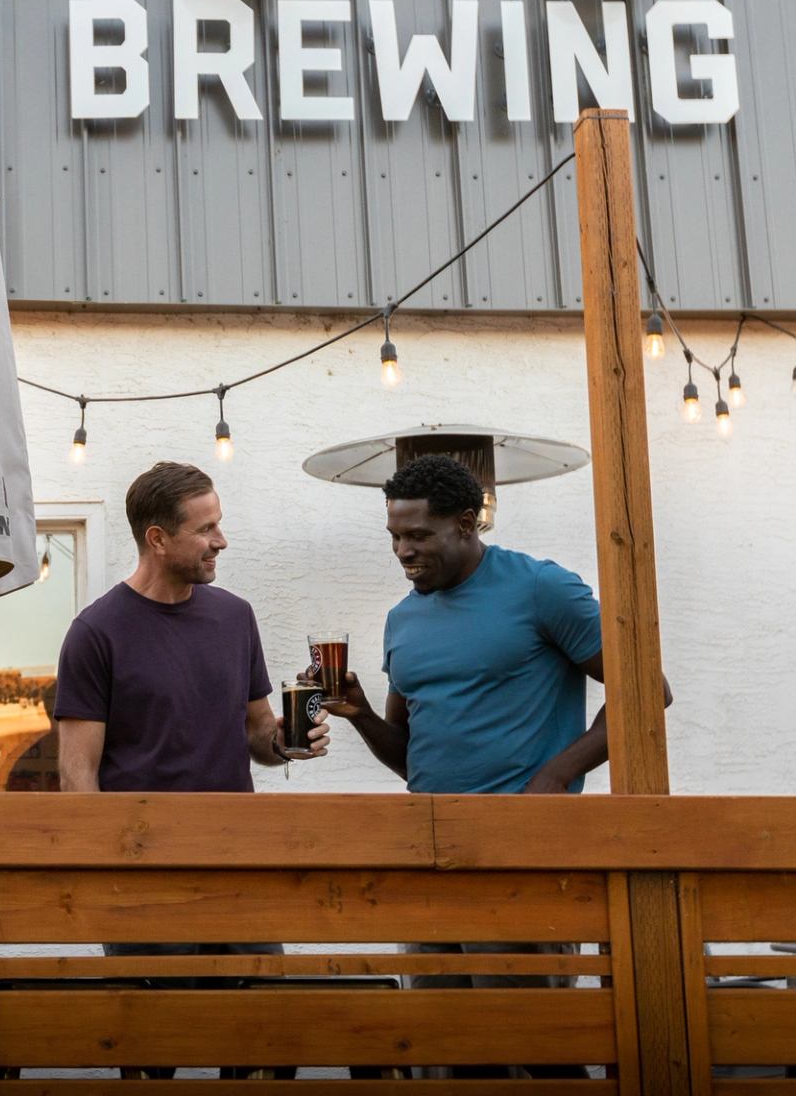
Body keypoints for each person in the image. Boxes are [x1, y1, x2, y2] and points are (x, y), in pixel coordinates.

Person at [326, 453, 671, 1080]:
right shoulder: (402, 620)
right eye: (395, 537)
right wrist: (361, 716)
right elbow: (413, 759)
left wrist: (558, 773)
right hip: (427, 857)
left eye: (419, 535)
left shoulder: (540, 588)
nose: (403, 551)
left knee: (536, 1044)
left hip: (522, 856)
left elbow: (648, 693)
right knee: (442, 1050)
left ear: (468, 522)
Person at [54, 461, 326, 1081]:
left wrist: (288, 742)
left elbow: (257, 731)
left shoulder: (235, 616)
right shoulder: (95, 632)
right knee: (154, 1054)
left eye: (219, 525)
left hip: (240, 868)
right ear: (157, 538)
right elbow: (78, 780)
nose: (221, 541)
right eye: (206, 530)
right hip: (144, 881)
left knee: (262, 1046)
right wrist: (108, 889)